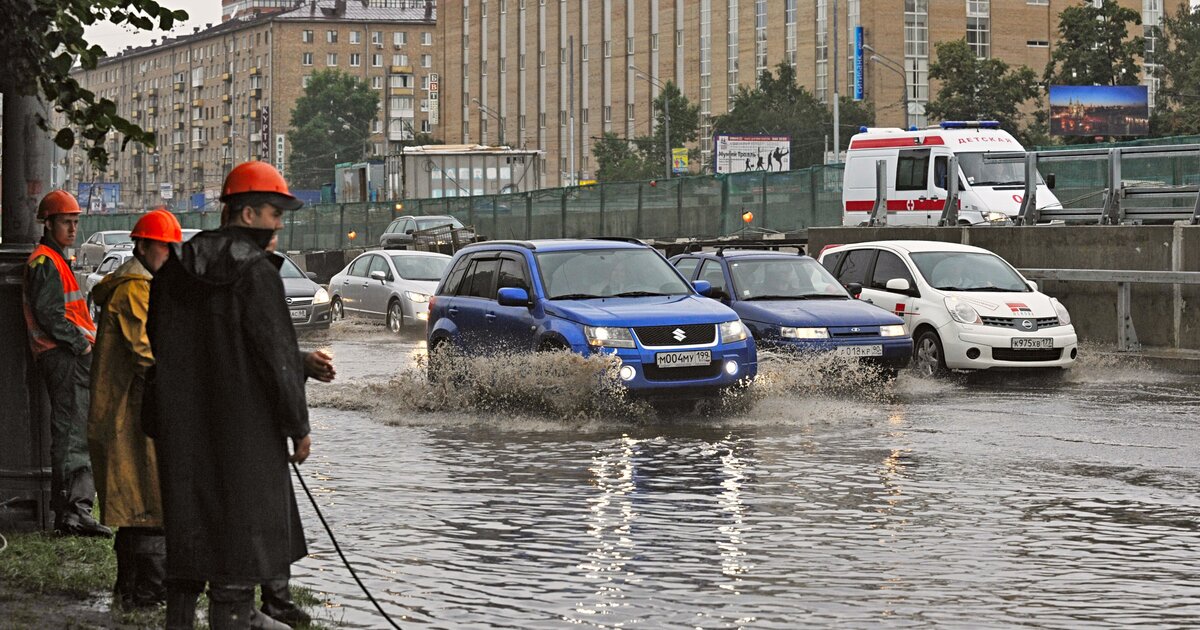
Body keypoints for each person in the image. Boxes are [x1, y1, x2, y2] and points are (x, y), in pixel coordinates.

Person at [146, 161, 314, 630]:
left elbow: (156, 340)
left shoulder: (174, 269)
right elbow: (277, 355)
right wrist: (298, 426)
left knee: (189, 524)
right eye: (274, 213)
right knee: (239, 535)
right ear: (246, 215)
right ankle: (235, 615)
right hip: (245, 431)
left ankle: (180, 620)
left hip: (181, 426)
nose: (279, 223)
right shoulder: (257, 273)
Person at [88, 208, 182, 609]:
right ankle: (145, 592)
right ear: (144, 246)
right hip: (129, 414)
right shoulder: (133, 290)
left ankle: (131, 588)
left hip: (130, 411)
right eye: (165, 248)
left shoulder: (140, 284)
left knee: (137, 504)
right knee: (147, 505)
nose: (170, 256)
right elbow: (147, 354)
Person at [22, 190, 111, 538]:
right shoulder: (45, 261)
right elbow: (50, 314)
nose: (73, 228)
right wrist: (81, 347)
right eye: (66, 222)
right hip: (64, 356)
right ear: (49, 223)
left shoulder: (55, 260)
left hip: (65, 355)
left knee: (75, 430)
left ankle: (73, 511)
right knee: (74, 432)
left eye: (76, 222)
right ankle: (75, 512)